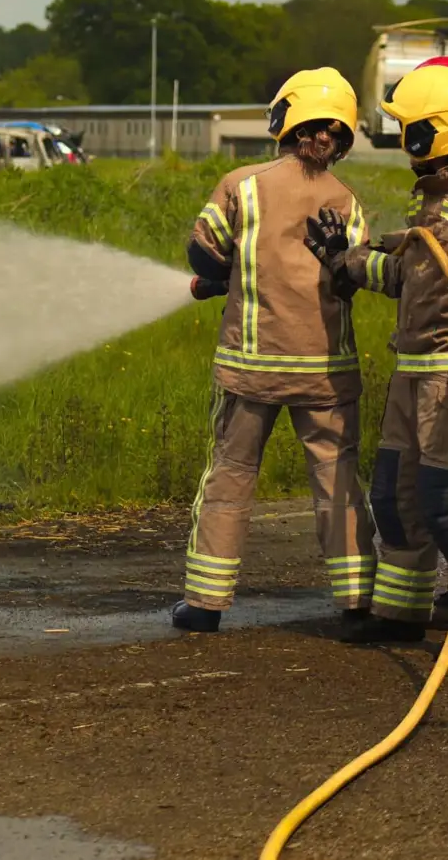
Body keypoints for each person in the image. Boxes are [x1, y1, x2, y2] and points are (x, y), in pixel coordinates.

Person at [172, 68, 377, 638]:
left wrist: (228, 274)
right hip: (327, 376)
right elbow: (354, 273)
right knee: (338, 479)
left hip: (250, 371)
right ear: (341, 134)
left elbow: (204, 256)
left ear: (283, 120)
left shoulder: (242, 184)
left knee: (231, 476)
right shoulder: (348, 201)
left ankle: (206, 604)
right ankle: (358, 600)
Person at [305, 57, 448, 643]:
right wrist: (350, 259)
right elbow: (409, 275)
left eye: (413, 131)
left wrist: (358, 260)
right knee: (395, 496)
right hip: (411, 376)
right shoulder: (431, 211)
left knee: (441, 502)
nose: (406, 145)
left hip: (445, 381)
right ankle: (401, 615)